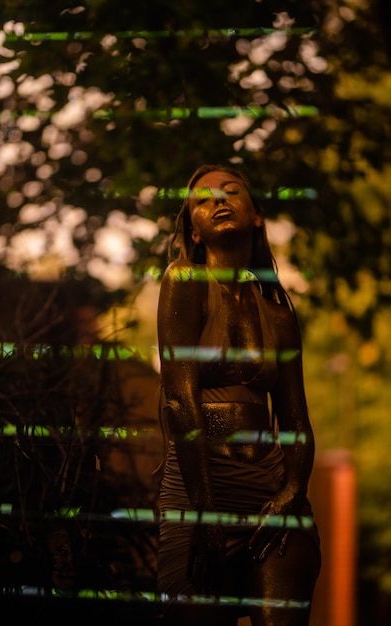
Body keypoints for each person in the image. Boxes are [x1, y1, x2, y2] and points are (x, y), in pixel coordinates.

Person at [155, 164, 321, 626]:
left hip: (269, 491)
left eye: (231, 192)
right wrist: (206, 517)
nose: (219, 202)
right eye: (204, 200)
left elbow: (295, 420)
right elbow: (178, 400)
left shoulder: (279, 313)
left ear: (256, 216)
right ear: (194, 229)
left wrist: (293, 492)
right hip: (199, 487)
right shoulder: (183, 281)